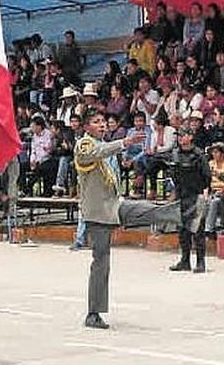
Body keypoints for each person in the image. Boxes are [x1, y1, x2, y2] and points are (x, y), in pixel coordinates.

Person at [74, 109, 182, 330]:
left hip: (114, 205)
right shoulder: (84, 144)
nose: (102, 125)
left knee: (144, 209)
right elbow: (94, 153)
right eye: (96, 122)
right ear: (86, 127)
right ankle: (93, 313)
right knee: (101, 263)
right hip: (97, 214)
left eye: (104, 121)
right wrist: (124, 142)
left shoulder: (107, 147)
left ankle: (182, 213)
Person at [168, 127, 210, 273]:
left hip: (196, 193)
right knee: (182, 229)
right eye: (178, 136)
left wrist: (204, 192)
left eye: (183, 135)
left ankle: (200, 262)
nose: (180, 138)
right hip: (181, 194)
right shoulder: (175, 154)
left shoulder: (199, 155)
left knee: (198, 229)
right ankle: (184, 260)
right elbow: (173, 175)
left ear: (190, 137)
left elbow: (206, 176)